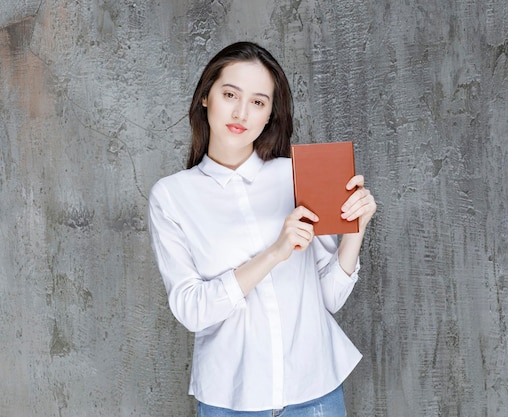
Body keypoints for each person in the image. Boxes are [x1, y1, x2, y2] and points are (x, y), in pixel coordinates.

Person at [148, 41, 376, 416]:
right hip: (230, 399)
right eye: (230, 94)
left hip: (314, 391)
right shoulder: (172, 195)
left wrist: (354, 230)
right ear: (206, 97)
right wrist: (274, 253)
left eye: (258, 102)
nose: (241, 112)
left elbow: (328, 299)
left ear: (271, 114)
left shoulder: (295, 175)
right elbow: (191, 309)